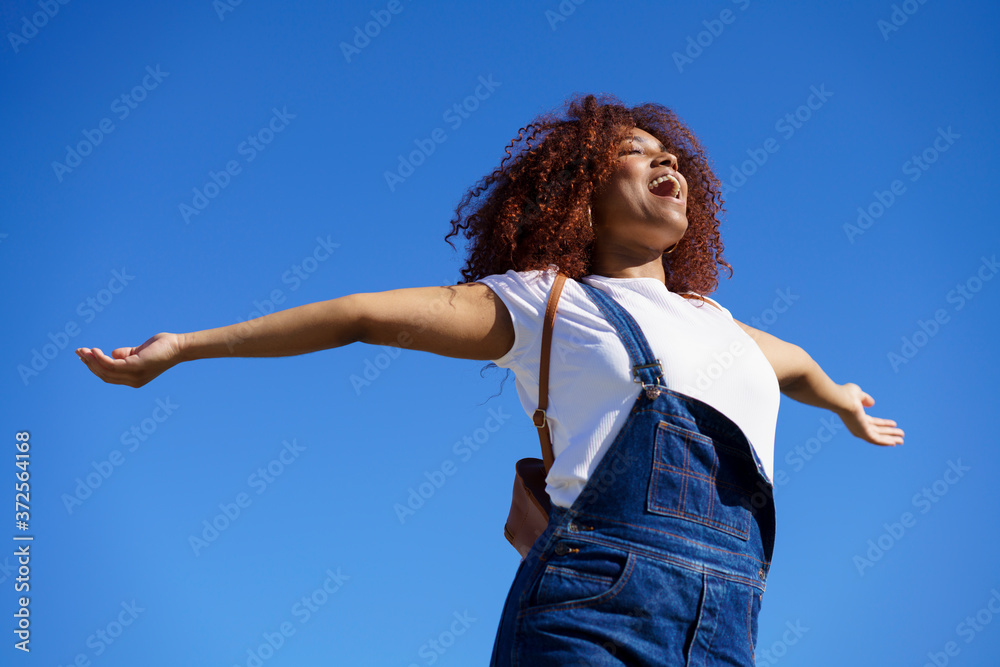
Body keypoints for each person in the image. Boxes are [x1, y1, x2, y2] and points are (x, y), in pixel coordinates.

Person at [76, 93, 903, 666]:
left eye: (672, 157)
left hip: (729, 627)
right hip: (592, 612)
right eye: (634, 154)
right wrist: (185, 346)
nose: (667, 162)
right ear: (580, 196)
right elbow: (361, 315)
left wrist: (842, 401)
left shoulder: (721, 324)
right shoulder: (547, 302)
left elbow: (797, 366)